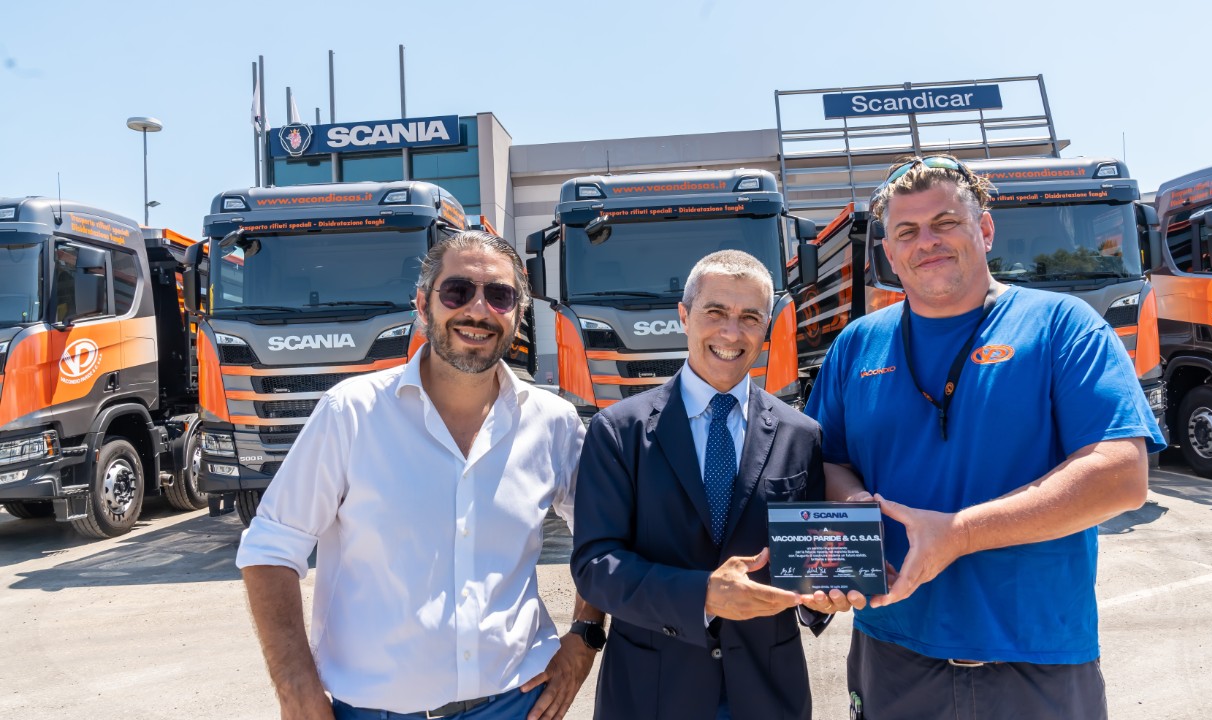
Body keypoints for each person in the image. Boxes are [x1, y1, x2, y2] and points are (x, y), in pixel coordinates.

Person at [802, 155, 1165, 719]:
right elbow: (826, 461)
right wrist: (854, 509)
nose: (927, 242)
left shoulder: (1063, 326)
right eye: (907, 232)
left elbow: (1121, 475)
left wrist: (960, 533)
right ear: (890, 254)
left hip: (1036, 658)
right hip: (891, 649)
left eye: (945, 222)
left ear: (985, 229)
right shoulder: (856, 344)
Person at [237, 230, 603, 720]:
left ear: (518, 315)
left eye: (499, 295)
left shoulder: (553, 422)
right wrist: (296, 689)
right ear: (422, 305)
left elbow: (601, 537)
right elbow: (270, 548)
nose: (478, 310)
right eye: (457, 291)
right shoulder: (351, 413)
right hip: (373, 712)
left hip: (517, 703)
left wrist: (584, 637)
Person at [571, 250, 829, 720]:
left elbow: (808, 559)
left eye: (750, 317)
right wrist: (702, 595)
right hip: (652, 695)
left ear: (766, 328)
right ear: (684, 317)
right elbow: (595, 566)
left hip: (767, 695)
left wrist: (825, 596)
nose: (731, 333)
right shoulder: (618, 431)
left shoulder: (801, 434)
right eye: (716, 312)